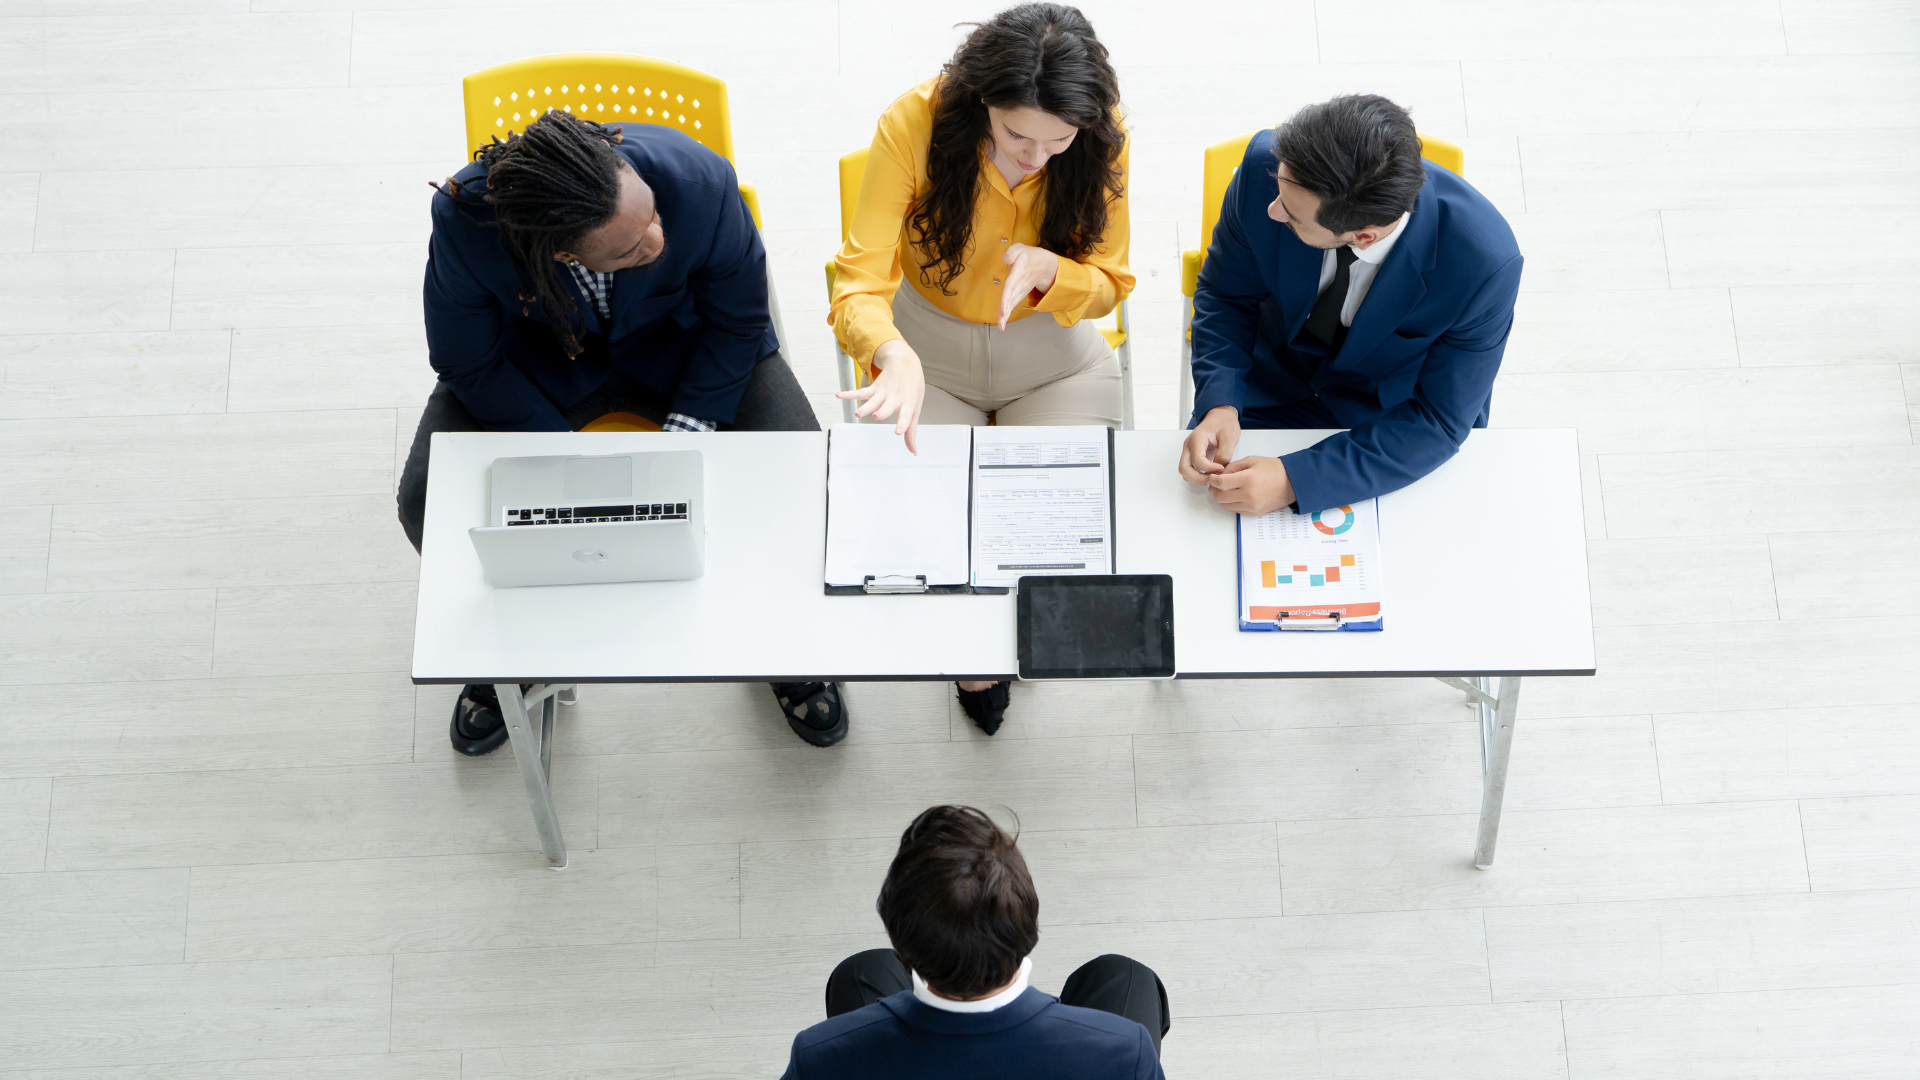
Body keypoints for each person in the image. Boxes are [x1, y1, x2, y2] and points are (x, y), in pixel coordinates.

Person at [404, 110, 850, 755]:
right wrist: (560, 457)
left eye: (653, 219)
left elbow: (739, 320)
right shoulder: (464, 219)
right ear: (560, 251)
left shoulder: (698, 181)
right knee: (426, 498)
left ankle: (782, 644)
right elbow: (467, 360)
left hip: (689, 353)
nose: (658, 241)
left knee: (802, 475)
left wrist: (688, 432)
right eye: (630, 248)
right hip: (540, 371)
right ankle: (521, 650)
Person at [829, 1, 1134, 736]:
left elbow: (1112, 283)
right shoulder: (914, 124)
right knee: (924, 532)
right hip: (925, 349)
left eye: (1057, 141)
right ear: (981, 104)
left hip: (1052, 356)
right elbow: (856, 283)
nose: (1035, 158)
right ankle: (975, 658)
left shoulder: (1104, 136)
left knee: (1055, 530)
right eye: (1016, 134)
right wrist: (889, 352)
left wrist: (1053, 270)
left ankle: (1015, 642)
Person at [1178, 94, 1523, 516]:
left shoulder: (1485, 263)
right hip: (1260, 390)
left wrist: (1294, 481)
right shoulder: (1264, 168)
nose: (1272, 211)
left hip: (1380, 427)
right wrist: (1220, 401)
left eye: (1291, 214)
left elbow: (1440, 419)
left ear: (1364, 236)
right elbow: (1225, 294)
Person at [785, 805, 1170, 1079]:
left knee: (863, 971)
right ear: (1029, 930)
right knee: (1124, 976)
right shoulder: (1127, 1050)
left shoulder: (817, 1057)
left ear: (906, 954)